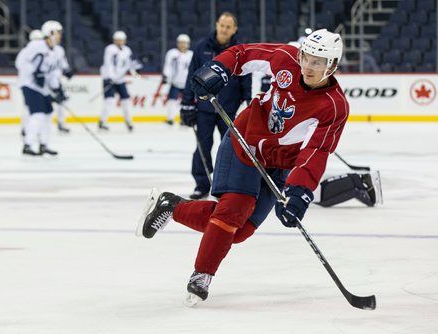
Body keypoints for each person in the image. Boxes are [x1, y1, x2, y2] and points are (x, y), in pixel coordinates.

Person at [137, 29, 349, 305]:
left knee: (240, 231)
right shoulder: (286, 58)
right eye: (306, 57)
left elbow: (315, 152)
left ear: (331, 66)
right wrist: (219, 67)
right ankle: (202, 275)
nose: (308, 66)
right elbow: (243, 53)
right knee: (234, 209)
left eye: (317, 62)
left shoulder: (334, 107)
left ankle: (170, 206)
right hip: (247, 138)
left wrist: (300, 191)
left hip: (280, 162)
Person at [180, 12, 252, 200]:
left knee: (228, 148)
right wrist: (187, 103)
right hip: (204, 109)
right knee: (203, 146)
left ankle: (226, 186)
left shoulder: (239, 50)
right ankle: (202, 184)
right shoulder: (201, 47)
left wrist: (248, 100)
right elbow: (191, 77)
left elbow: (246, 76)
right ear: (217, 25)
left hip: (228, 109)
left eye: (228, 27)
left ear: (234, 29)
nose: (224, 29)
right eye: (222, 25)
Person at [16, 21, 65, 156]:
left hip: (43, 88)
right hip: (29, 85)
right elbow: (20, 62)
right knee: (37, 115)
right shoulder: (36, 46)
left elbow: (52, 72)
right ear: (50, 33)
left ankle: (44, 144)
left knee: (48, 114)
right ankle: (28, 145)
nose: (60, 35)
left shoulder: (57, 51)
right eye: (58, 32)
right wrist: (34, 73)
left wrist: (57, 89)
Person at [99, 31, 141, 131]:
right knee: (109, 101)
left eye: (121, 40)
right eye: (118, 40)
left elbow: (129, 64)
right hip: (109, 79)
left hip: (120, 80)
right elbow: (108, 64)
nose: (119, 42)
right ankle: (102, 122)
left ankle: (128, 122)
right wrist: (109, 77)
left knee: (126, 100)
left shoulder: (127, 50)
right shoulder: (110, 49)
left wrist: (136, 70)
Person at [47, 21, 74, 133]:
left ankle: (61, 123)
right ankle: (28, 127)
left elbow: (63, 63)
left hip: (56, 82)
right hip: (44, 84)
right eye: (58, 32)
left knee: (62, 102)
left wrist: (67, 71)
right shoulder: (42, 50)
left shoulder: (59, 49)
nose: (60, 35)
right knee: (40, 109)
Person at [162, 34, 193, 125]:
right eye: (181, 43)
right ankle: (170, 119)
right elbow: (168, 66)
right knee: (171, 101)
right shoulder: (172, 53)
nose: (183, 45)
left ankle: (184, 119)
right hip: (175, 82)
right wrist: (166, 76)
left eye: (184, 43)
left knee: (186, 103)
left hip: (187, 83)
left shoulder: (191, 55)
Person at [20, 29, 45, 137]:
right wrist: (34, 73)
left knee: (28, 107)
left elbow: (19, 64)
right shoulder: (40, 49)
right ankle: (32, 129)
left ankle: (26, 128)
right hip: (33, 84)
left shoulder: (26, 50)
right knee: (38, 110)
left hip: (26, 83)